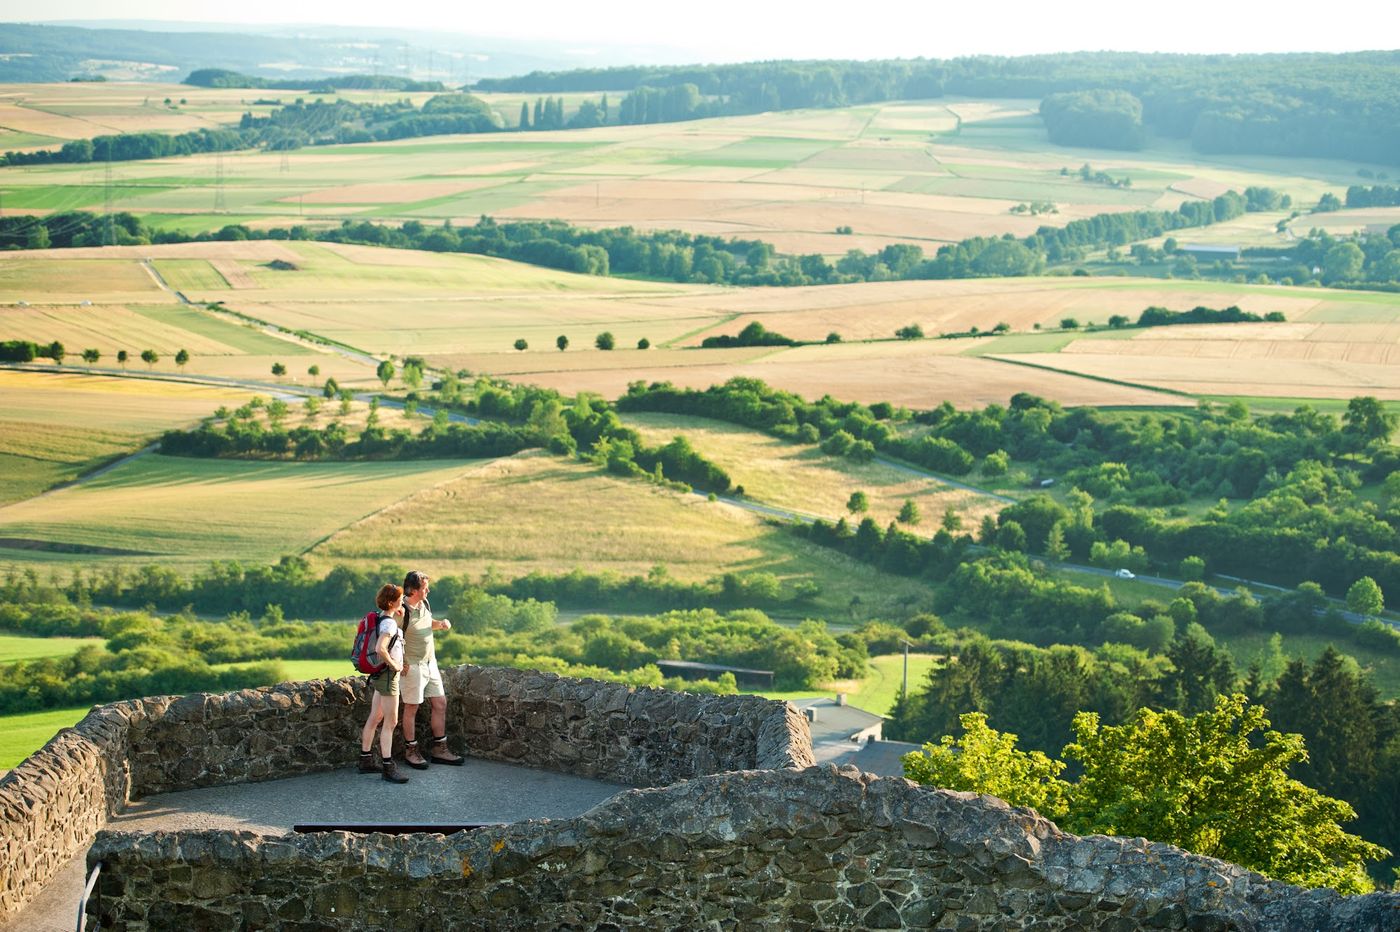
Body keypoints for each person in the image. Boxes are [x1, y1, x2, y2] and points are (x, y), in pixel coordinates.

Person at [399, 570, 464, 768]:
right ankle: (411, 751)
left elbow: (426, 625)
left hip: (430, 663)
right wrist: (401, 662)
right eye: (425, 587)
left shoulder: (424, 604)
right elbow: (390, 637)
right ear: (414, 590)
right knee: (411, 708)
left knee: (440, 703)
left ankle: (440, 749)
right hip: (412, 666)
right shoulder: (400, 610)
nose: (429, 590)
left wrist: (440, 624)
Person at [359, 583, 410, 784]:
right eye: (400, 599)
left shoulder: (380, 618)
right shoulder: (389, 624)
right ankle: (388, 767)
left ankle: (365, 760)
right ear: (391, 602)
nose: (402, 601)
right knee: (391, 722)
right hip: (388, 676)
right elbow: (381, 648)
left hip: (380, 675)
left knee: (375, 717)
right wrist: (395, 666)